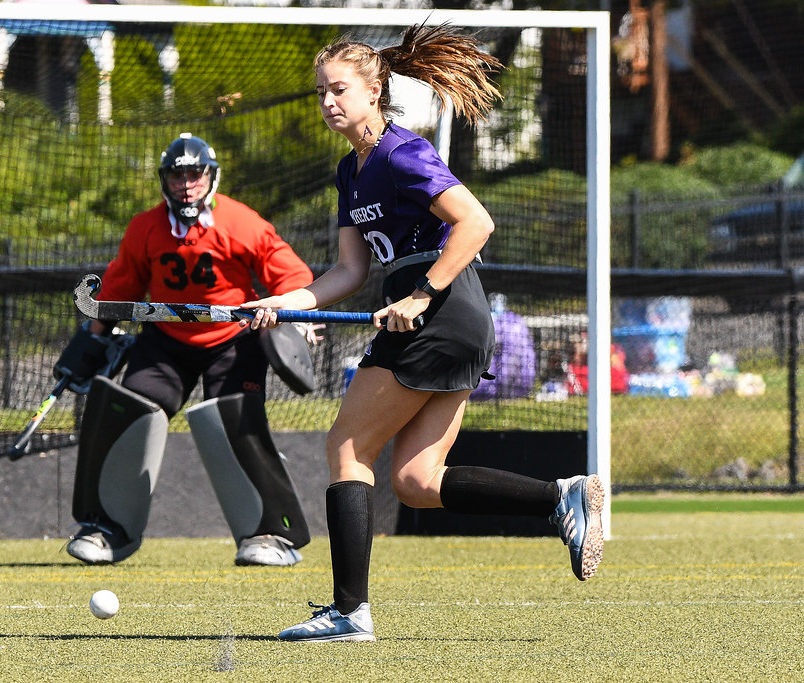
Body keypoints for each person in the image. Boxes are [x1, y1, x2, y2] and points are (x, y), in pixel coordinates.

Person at [244, 24, 604, 641]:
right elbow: (351, 271)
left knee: (348, 449)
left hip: (442, 312)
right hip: (440, 318)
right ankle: (558, 497)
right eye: (322, 93)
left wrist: (421, 293)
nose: (329, 102)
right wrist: (287, 302)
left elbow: (476, 223)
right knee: (416, 484)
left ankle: (349, 613)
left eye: (340, 90)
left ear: (375, 91)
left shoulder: (401, 153)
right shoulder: (350, 171)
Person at [55, 133, 317, 568]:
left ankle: (268, 533)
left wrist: (295, 316)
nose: (186, 184)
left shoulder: (241, 221)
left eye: (194, 174)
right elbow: (119, 289)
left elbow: (290, 274)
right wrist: (92, 338)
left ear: (210, 176)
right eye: (177, 175)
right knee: (127, 409)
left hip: (232, 340)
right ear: (165, 180)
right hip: (166, 342)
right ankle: (107, 529)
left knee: (234, 417)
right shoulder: (145, 227)